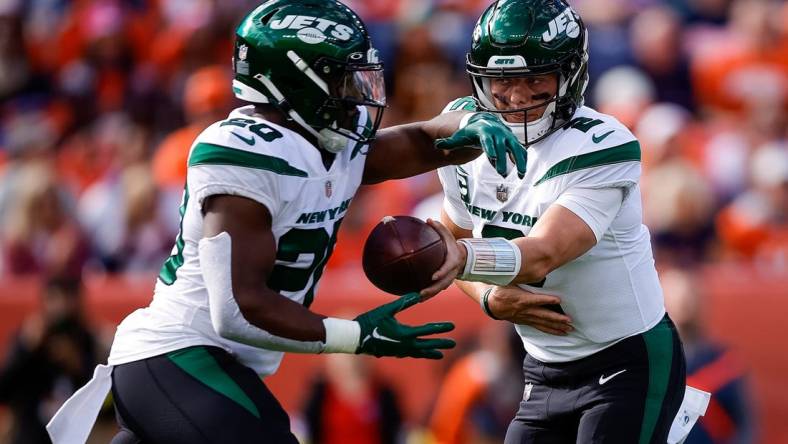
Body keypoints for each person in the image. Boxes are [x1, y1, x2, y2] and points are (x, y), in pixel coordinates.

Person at [46, 1, 529, 443]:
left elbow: (422, 142)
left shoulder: (328, 140)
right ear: (295, 81)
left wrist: (479, 124)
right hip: (177, 353)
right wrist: (354, 335)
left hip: (215, 366)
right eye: (341, 79)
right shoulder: (246, 150)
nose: (356, 93)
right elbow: (236, 307)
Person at [424, 1, 688, 442]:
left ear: (570, 76)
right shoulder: (466, 132)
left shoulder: (601, 144)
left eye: (534, 79)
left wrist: (449, 256)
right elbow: (454, 236)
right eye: (502, 81)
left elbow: (541, 254)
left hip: (625, 361)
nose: (516, 96)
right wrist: (487, 296)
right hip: (542, 369)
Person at [0, 276, 103, 444]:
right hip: (30, 435)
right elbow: (4, 390)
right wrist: (25, 349)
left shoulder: (85, 340)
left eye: (66, 299)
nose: (60, 308)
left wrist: (77, 365)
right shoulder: (29, 336)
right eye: (54, 299)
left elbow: (99, 404)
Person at [662, 269, 756, 444]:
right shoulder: (649, 364)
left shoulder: (722, 363)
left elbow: (745, 426)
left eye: (687, 294)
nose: (681, 300)